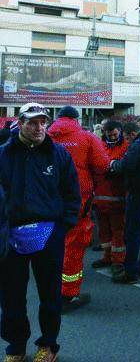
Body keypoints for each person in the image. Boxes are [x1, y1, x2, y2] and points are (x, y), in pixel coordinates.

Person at [0, 103, 81, 362]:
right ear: (21, 123)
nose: (39, 128)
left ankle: (48, 345)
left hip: (49, 235)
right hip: (11, 237)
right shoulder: (3, 154)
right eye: (33, 122)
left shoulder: (58, 154)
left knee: (50, 294)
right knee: (12, 296)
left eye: (43, 122)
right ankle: (16, 347)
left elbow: (72, 193)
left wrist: (62, 227)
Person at [48, 106, 110, 312]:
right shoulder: (87, 137)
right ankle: (68, 294)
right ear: (77, 118)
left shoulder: (45, 136)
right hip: (77, 198)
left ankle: (49, 290)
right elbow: (102, 165)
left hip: (47, 198)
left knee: (48, 243)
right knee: (74, 245)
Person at [110, 122, 140, 283]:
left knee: (132, 231)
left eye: (126, 137)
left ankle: (130, 272)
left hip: (138, 190)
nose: (126, 141)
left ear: (131, 134)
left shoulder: (137, 145)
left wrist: (112, 164)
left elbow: (126, 165)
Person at [91, 121, 129, 280]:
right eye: (110, 134)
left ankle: (118, 261)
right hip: (100, 197)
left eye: (115, 134)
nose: (113, 137)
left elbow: (125, 167)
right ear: (104, 133)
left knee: (118, 231)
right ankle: (107, 256)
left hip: (117, 197)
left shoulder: (126, 146)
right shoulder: (99, 145)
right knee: (104, 231)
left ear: (119, 131)